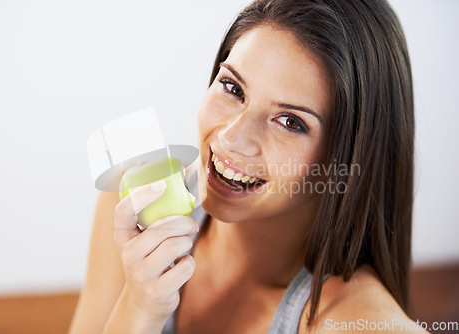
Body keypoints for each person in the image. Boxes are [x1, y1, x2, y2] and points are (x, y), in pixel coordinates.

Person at [70, 0, 428, 333]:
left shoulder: (362, 322)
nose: (230, 139)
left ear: (347, 159)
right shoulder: (134, 209)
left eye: (290, 122)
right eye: (232, 87)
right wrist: (140, 305)